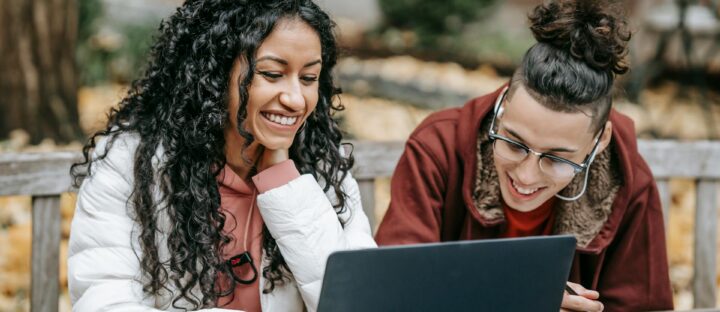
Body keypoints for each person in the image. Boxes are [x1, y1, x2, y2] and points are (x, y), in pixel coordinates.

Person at [68, 0, 376, 311]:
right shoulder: (132, 163)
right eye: (271, 74)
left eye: (309, 78)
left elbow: (360, 304)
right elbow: (103, 301)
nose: (296, 99)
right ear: (214, 74)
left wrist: (284, 181)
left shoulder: (322, 164)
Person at [375, 0, 673, 311]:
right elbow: (396, 288)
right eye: (514, 144)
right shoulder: (438, 147)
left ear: (600, 141)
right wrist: (515, 297)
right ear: (502, 106)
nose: (526, 176)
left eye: (558, 159)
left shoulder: (628, 180)